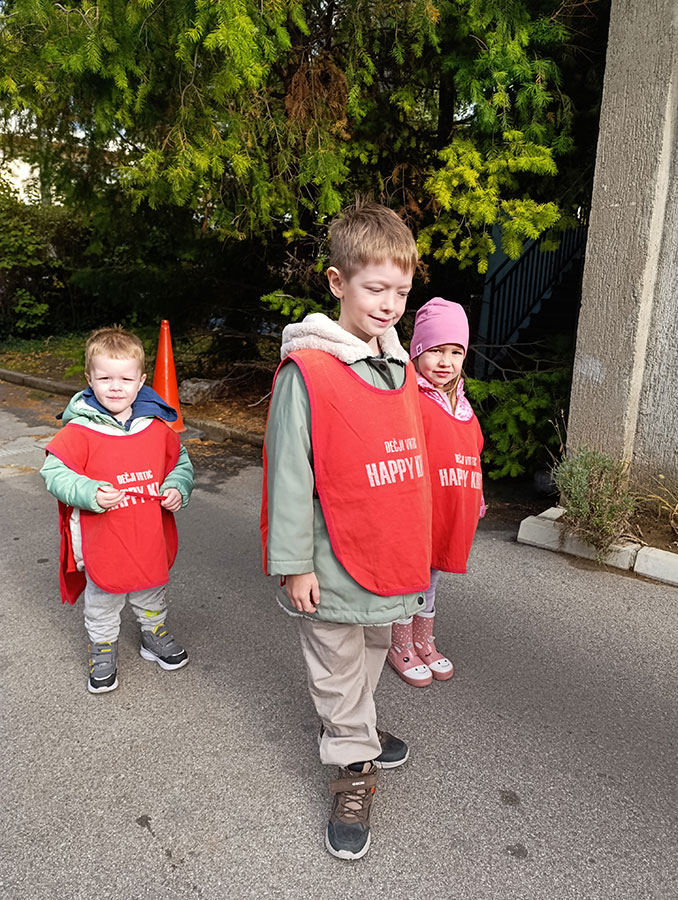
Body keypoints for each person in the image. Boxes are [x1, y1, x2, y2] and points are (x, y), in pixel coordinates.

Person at [260, 202, 432, 860]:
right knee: (336, 665)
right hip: (330, 560)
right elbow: (288, 474)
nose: (390, 305)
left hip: (384, 553)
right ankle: (352, 767)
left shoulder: (400, 369)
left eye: (401, 292)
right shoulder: (309, 372)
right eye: (375, 288)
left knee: (372, 646)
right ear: (337, 282)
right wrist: (294, 564)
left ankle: (353, 728)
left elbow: (409, 465)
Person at [41, 326, 194, 694]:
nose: (115, 387)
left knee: (151, 589)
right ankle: (103, 647)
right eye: (105, 378)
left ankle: (153, 634)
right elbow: (53, 472)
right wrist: (90, 492)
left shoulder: (156, 428)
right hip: (104, 540)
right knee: (103, 598)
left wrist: (177, 487)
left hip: (147, 537)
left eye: (125, 379)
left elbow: (180, 462)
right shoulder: (79, 431)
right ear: (89, 379)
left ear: (141, 381)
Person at [387, 297, 484, 687]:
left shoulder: (462, 406)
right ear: (417, 351)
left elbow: (472, 453)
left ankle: (423, 640)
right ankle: (399, 644)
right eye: (435, 351)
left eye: (455, 352)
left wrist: (477, 498)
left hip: (447, 513)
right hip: (416, 512)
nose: (445, 361)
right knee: (409, 578)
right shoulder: (408, 397)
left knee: (431, 578)